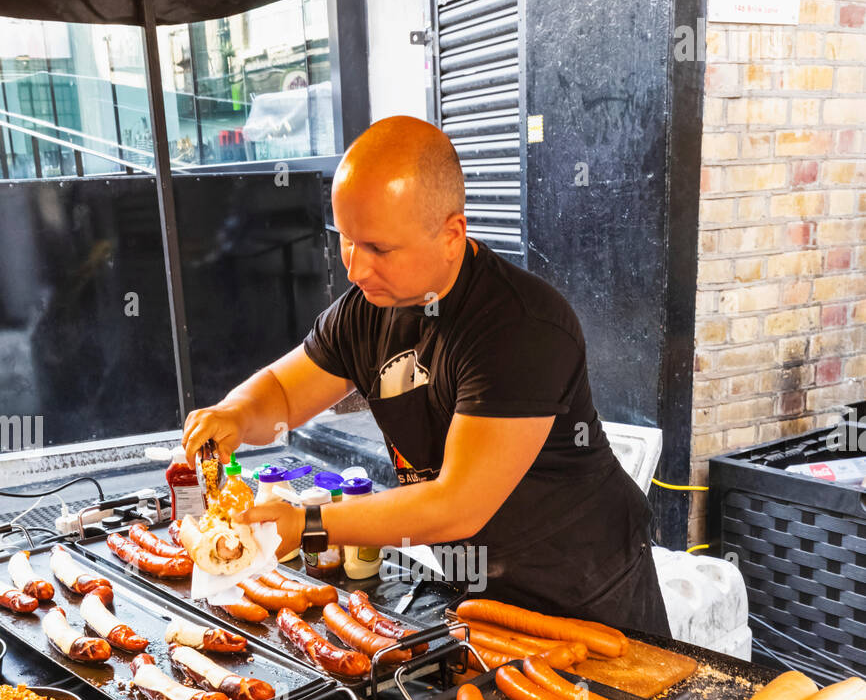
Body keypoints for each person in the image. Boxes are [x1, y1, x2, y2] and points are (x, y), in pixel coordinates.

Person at [183, 115, 670, 635]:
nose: (355, 268)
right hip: (480, 590)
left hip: (585, 588)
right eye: (346, 240)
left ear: (451, 235)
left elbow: (457, 505)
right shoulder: (367, 308)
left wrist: (310, 526)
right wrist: (235, 413)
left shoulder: (521, 327)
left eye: (378, 248)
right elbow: (282, 391)